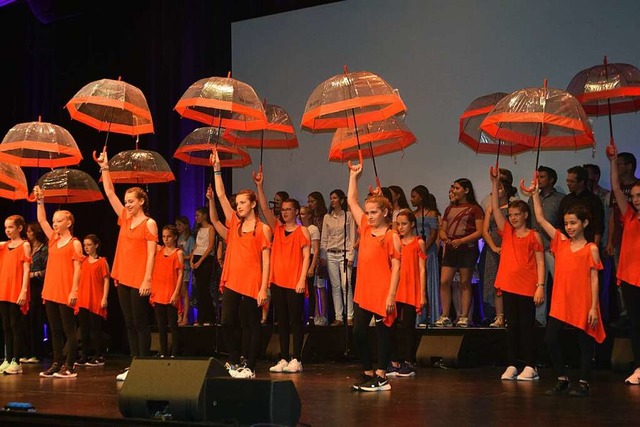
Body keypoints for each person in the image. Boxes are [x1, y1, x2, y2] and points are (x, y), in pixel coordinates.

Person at [528, 177, 605, 397]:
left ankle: (584, 382)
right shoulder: (560, 241)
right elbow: (541, 219)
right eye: (567, 223)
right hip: (561, 300)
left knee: (584, 343)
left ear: (585, 223)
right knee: (550, 339)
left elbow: (594, 279)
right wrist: (534, 193)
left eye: (574, 223)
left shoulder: (590, 249)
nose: (570, 227)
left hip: (582, 301)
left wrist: (593, 307)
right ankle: (562, 378)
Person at [94, 150, 158, 382]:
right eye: (126, 201)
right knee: (129, 322)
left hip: (140, 278)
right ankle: (134, 363)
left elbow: (152, 255)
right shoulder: (124, 218)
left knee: (140, 323)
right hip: (123, 276)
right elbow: (110, 193)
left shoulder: (149, 223)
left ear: (141, 201)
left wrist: (148, 279)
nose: (127, 204)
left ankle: (145, 365)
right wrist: (105, 167)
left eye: (131, 201)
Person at [207, 151, 272, 379]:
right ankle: (234, 360)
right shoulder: (234, 223)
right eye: (238, 203)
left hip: (253, 282)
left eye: (243, 203)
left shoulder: (262, 229)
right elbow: (222, 195)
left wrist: (264, 288)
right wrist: (217, 168)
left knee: (251, 325)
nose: (239, 206)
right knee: (226, 322)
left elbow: (266, 260)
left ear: (253, 204)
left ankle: (250, 366)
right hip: (233, 279)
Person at [347, 162, 401, 392]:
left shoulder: (391, 236)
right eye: (367, 212)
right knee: (358, 331)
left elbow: (397, 268)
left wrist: (391, 295)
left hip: (382, 292)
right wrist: (353, 177)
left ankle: (382, 376)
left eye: (373, 212)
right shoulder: (365, 229)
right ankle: (368, 371)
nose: (368, 216)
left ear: (385, 213)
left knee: (383, 335)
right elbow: (351, 201)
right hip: (364, 290)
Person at [486, 169, 544, 381]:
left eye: (517, 215)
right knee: (512, 327)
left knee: (526, 326)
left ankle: (531, 365)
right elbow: (495, 210)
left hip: (527, 286)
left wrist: (540, 286)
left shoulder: (533, 236)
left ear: (525, 215)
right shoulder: (507, 232)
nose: (512, 218)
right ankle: (512, 364)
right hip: (509, 284)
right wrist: (494, 184)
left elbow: (540, 263)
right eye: (511, 215)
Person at [255, 172, 310, 374]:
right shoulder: (277, 228)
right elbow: (263, 207)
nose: (284, 212)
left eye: (288, 209)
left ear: (296, 211)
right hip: (278, 281)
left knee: (296, 321)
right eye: (283, 209)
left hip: (294, 281)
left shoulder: (302, 231)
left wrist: (302, 279)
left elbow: (306, 257)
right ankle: (284, 358)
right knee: (282, 321)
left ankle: (297, 358)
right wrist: (260, 186)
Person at [34, 187, 83, 379]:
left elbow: (78, 269)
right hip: (51, 290)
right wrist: (40, 201)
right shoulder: (53, 239)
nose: (54, 224)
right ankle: (57, 363)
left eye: (59, 221)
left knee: (68, 330)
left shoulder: (75, 243)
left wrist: (74, 290)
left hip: (66, 291)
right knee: (54, 330)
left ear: (68, 222)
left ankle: (70, 365)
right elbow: (41, 220)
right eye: (54, 221)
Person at [607, 146, 640, 385]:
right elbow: (617, 188)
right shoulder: (628, 215)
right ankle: (639, 367)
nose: (636, 199)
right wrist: (612, 161)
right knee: (636, 324)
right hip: (630, 278)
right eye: (635, 196)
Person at [436, 179, 484, 327]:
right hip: (451, 248)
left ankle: (464, 316)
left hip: (467, 249)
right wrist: (444, 236)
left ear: (466, 190)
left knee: (464, 282)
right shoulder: (449, 209)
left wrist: (462, 241)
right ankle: (445, 315)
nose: (454, 191)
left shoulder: (475, 208)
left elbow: (480, 232)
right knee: (444, 281)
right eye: (453, 188)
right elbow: (442, 228)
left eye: (457, 188)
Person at [387, 209, 425, 378]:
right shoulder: (396, 242)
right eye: (399, 224)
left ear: (412, 224)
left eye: (404, 224)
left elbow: (422, 270)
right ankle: (394, 361)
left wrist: (422, 293)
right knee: (391, 326)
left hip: (410, 288)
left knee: (408, 326)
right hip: (396, 289)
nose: (401, 227)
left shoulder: (419, 242)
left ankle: (409, 362)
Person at [527, 166, 565, 327]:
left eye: (542, 177)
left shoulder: (561, 198)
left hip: (553, 247)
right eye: (538, 177)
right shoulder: (531, 198)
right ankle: (540, 318)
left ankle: (564, 317)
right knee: (539, 284)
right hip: (536, 248)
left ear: (551, 180)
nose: (539, 180)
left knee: (560, 283)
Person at [481, 171, 517, 327]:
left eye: (500, 189)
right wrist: (494, 247)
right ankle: (499, 316)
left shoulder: (513, 208)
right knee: (496, 283)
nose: (496, 191)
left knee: (510, 284)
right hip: (493, 248)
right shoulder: (490, 208)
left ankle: (511, 316)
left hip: (510, 248)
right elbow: (485, 231)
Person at [0, 215, 31, 375]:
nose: (7, 230)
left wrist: (24, 290)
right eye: (6, 228)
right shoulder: (4, 246)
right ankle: (8, 357)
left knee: (15, 325)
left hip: (16, 290)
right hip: (4, 290)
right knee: (6, 326)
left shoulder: (25, 245)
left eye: (11, 227)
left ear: (19, 228)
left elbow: (26, 270)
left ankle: (16, 361)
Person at [320, 189, 355, 326]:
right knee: (335, 286)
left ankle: (350, 316)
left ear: (341, 200)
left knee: (346, 284)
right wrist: (323, 255)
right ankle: (339, 316)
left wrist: (351, 255)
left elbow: (352, 237)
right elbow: (324, 237)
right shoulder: (327, 217)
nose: (332, 200)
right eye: (331, 198)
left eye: (335, 198)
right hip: (330, 253)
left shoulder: (348, 215)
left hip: (344, 253)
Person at [75, 234, 109, 367]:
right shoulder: (82, 261)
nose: (86, 247)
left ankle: (98, 355)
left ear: (96, 245)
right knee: (84, 329)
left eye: (89, 245)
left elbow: (106, 280)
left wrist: (104, 297)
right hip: (83, 298)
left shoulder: (102, 262)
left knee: (96, 329)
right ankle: (85, 354)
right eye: (85, 245)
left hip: (96, 298)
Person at [150, 225, 184, 358]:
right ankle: (163, 352)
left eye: (169, 236)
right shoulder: (159, 250)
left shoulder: (178, 253)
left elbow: (180, 274)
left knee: (173, 325)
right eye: (164, 236)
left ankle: (175, 353)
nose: (166, 239)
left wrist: (176, 293)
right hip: (159, 291)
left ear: (175, 237)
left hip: (171, 291)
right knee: (161, 325)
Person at [410, 185, 440, 326]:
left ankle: (433, 315)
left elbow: (434, 235)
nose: (411, 199)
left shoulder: (431, 213)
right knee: (418, 284)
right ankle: (419, 317)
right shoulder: (413, 215)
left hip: (429, 252)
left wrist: (423, 249)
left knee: (429, 282)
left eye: (414, 196)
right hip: (416, 253)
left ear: (421, 197)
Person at [558, 165, 604, 247]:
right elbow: (559, 225)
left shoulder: (593, 200)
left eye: (572, 182)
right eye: (567, 181)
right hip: (568, 243)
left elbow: (598, 228)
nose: (568, 184)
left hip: (587, 243)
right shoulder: (566, 199)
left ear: (581, 182)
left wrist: (594, 247)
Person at [22, 221, 48, 364]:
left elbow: (47, 269)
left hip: (37, 285)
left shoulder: (44, 249)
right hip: (26, 285)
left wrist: (34, 274)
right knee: (25, 318)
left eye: (30, 231)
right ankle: (26, 351)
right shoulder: (26, 247)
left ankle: (37, 352)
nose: (27, 233)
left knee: (36, 318)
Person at [191, 207, 216, 326]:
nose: (196, 218)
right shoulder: (199, 229)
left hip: (206, 259)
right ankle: (200, 318)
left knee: (204, 288)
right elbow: (197, 245)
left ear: (205, 215)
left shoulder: (211, 228)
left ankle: (209, 317)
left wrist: (200, 261)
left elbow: (210, 246)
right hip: (196, 257)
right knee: (199, 290)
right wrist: (192, 259)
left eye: (198, 215)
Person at [308, 191, 329, 326]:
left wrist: (322, 255)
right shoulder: (311, 219)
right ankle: (316, 314)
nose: (310, 204)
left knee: (321, 286)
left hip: (321, 253)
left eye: (312, 201)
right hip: (311, 255)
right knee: (314, 287)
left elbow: (324, 237)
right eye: (308, 202)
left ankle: (324, 314)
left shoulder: (324, 217)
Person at [300, 205, 322, 327]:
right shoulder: (299, 228)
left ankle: (311, 316)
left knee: (310, 289)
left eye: (303, 214)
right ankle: (301, 315)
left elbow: (316, 249)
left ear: (309, 215)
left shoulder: (313, 229)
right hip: (300, 260)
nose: (301, 216)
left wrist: (312, 267)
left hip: (309, 259)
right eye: (300, 214)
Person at [175, 216, 195, 325]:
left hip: (185, 268)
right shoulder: (179, 238)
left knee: (184, 293)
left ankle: (185, 317)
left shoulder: (189, 238)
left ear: (186, 225)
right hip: (178, 268)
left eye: (180, 225)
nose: (177, 227)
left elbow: (192, 255)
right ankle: (179, 316)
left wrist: (182, 256)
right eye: (176, 225)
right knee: (178, 293)